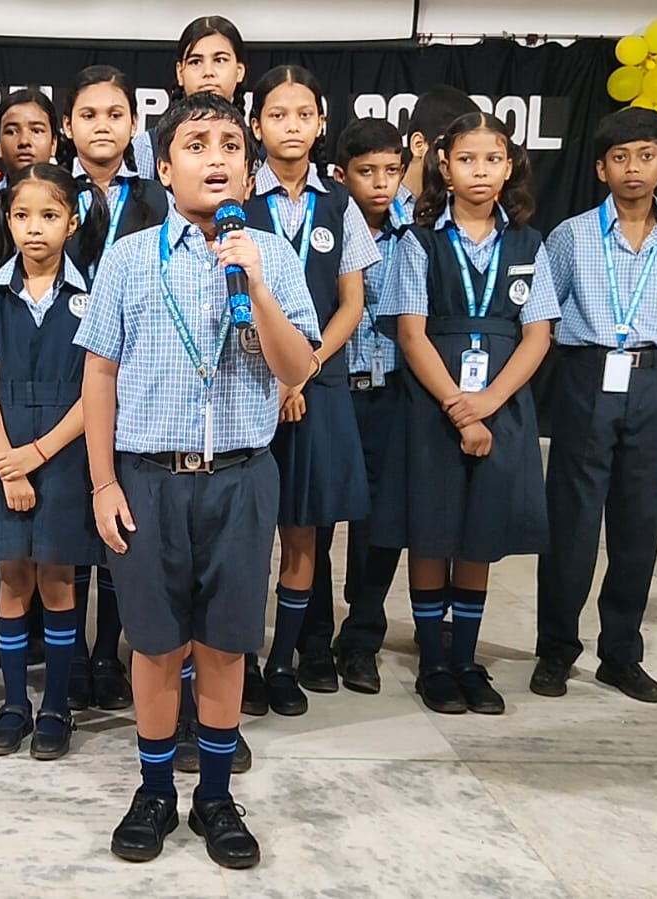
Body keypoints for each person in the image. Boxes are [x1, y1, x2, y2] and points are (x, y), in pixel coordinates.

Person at [77, 93, 319, 869]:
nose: (214, 157)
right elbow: (99, 374)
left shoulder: (271, 255)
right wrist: (102, 484)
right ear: (163, 166)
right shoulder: (129, 256)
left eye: (228, 145)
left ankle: (215, 794)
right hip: (148, 478)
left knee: (223, 644)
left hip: (241, 478)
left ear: (248, 171)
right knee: (154, 645)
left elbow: (298, 366)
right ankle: (154, 789)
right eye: (194, 143)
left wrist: (258, 288)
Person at [372, 111, 558, 716]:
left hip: (501, 403)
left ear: (510, 168)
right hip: (432, 406)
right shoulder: (419, 240)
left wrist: (489, 403)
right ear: (445, 168)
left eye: (493, 159)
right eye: (468, 159)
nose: (481, 170)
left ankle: (467, 660)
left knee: (480, 532)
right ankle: (433, 662)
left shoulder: (529, 243)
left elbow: (537, 335)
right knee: (431, 530)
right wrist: (459, 407)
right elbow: (411, 333)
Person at [532, 107, 657, 704]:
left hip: (649, 380)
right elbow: (542, 312)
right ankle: (556, 651)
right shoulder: (572, 235)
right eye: (620, 157)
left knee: (638, 521)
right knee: (573, 521)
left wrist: (641, 343)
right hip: (586, 376)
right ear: (601, 169)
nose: (633, 167)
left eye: (646, 156)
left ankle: (621, 655)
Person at [0, 163, 106, 760]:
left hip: (65, 450)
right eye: (22, 216)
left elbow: (97, 390)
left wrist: (37, 454)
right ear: (7, 221)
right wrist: (7, 462)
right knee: (12, 579)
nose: (34, 228)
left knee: (59, 580)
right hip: (2, 448)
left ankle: (57, 706)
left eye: (49, 215)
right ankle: (14, 704)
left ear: (72, 222)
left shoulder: (92, 294)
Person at [242, 65, 378, 719]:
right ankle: (241, 661)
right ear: (256, 124)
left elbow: (352, 301)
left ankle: (283, 664)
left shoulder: (339, 204)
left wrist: (305, 365)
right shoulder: (237, 199)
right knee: (245, 535)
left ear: (321, 123)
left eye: (303, 114)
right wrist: (277, 375)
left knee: (305, 535)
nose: (290, 126)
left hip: (317, 383)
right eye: (277, 114)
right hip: (248, 385)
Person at [52, 64, 171, 711]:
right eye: (88, 115)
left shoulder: (157, 195)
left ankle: (107, 650)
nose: (102, 126)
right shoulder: (46, 188)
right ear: (67, 124)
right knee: (68, 521)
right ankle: (69, 653)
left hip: (137, 375)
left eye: (115, 114)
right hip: (60, 366)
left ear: (134, 124)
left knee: (121, 523)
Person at [316, 115, 415, 695]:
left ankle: (361, 637)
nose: (381, 184)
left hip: (391, 391)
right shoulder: (325, 223)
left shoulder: (418, 230)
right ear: (340, 174)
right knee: (319, 518)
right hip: (332, 387)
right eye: (366, 171)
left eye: (392, 170)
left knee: (380, 522)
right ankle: (313, 633)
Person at [130, 16, 248, 177]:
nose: (208, 72)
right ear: (180, 72)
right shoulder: (148, 146)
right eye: (196, 62)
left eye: (220, 60)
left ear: (239, 71)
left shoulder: (260, 144)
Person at [402, 86, 479, 200]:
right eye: (452, 148)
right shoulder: (380, 205)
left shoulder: (463, 206)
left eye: (468, 158)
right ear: (418, 145)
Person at [0, 87, 60, 177]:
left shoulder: (73, 187)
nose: (24, 141)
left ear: (53, 144)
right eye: (11, 132)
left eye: (36, 131)